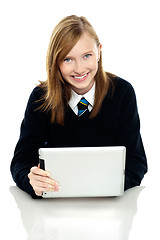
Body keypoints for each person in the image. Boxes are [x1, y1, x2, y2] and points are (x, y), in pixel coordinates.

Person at [10, 15, 147, 199]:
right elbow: (21, 160)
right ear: (55, 61)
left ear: (99, 52)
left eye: (87, 56)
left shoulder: (122, 93)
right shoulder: (41, 98)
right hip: (55, 206)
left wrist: (108, 187)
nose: (79, 68)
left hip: (108, 207)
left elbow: (136, 162)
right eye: (68, 59)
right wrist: (31, 182)